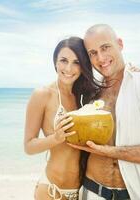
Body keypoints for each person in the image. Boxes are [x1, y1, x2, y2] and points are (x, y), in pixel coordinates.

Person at [68, 24, 140, 200]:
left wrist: (108, 151)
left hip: (135, 195)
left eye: (105, 47)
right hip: (92, 192)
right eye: (93, 53)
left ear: (120, 44)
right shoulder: (90, 94)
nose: (101, 57)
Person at [24, 37, 97, 200]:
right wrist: (56, 138)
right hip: (52, 191)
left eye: (76, 62)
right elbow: (29, 146)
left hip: (82, 192)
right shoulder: (43, 95)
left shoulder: (85, 97)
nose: (69, 68)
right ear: (55, 62)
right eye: (63, 60)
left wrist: (130, 74)